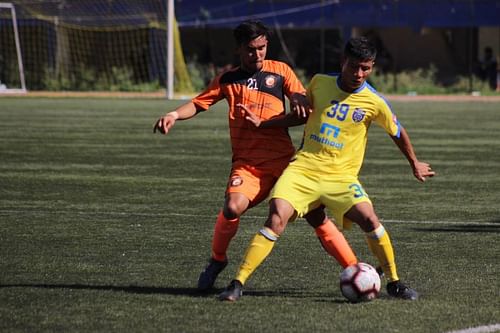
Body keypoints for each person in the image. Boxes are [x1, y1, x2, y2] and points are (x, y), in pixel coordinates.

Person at [219, 36, 436, 302]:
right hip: (303, 170)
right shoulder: (319, 83)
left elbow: (397, 131)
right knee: (276, 218)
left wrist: (414, 162)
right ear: (343, 61)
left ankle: (394, 282)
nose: (358, 73)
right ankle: (237, 283)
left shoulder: (373, 101)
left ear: (372, 67)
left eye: (365, 68)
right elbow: (299, 115)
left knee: (370, 220)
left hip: (341, 178)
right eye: (353, 66)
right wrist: (263, 124)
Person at [153, 20, 358, 291]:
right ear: (239, 49)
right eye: (251, 49)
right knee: (232, 207)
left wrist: (298, 100)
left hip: (285, 163)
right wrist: (174, 114)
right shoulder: (228, 80)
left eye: (262, 47)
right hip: (248, 165)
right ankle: (217, 260)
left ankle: (354, 269)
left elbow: (299, 96)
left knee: (316, 216)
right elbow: (199, 103)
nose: (258, 54)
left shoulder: (281, 71)